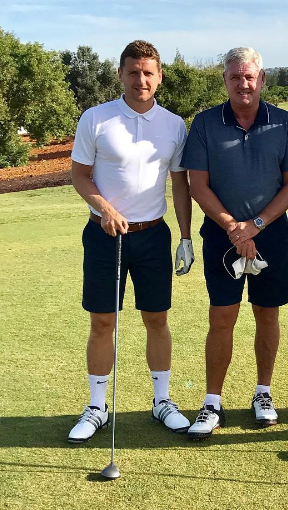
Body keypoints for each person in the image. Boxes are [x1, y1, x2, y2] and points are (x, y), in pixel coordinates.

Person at [68, 40, 194, 443]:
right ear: (121, 74)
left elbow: (180, 184)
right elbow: (80, 175)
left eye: (148, 72)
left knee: (157, 319)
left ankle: (161, 402)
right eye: (134, 72)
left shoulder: (174, 124)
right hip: (105, 236)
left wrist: (187, 237)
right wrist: (104, 207)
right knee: (103, 321)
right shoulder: (96, 118)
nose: (141, 79)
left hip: (154, 236)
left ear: (159, 76)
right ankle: (97, 407)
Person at [182, 47, 288, 440]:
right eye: (235, 77)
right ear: (225, 81)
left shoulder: (284, 123)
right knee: (222, 316)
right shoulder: (204, 124)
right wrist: (234, 227)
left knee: (267, 314)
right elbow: (197, 185)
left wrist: (254, 225)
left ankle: (263, 394)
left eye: (249, 76)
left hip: (271, 233)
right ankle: (212, 401)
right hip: (221, 235)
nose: (243, 83)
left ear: (262, 78)